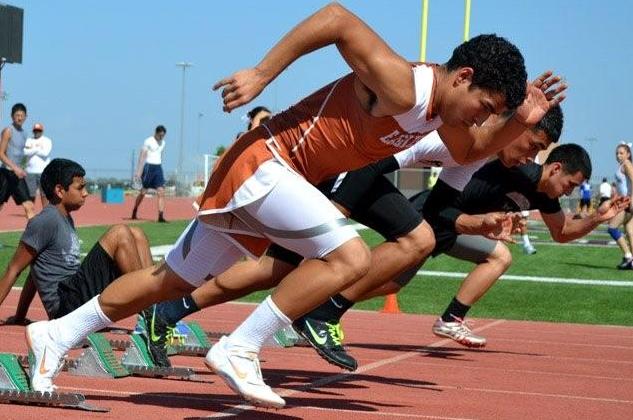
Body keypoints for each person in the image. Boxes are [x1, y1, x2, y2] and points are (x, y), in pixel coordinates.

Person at [24, 4, 563, 407]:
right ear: (464, 77)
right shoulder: (404, 85)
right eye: (483, 107)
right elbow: (336, 18)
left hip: (273, 175)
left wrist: (518, 123)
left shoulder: (440, 115)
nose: (478, 118)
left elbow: (471, 150)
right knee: (350, 257)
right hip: (265, 162)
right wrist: (262, 74)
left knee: (172, 281)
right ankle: (240, 348)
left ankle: (57, 333)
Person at [140, 105, 564, 372]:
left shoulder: (474, 155)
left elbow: (439, 214)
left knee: (278, 268)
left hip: (360, 174)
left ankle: (171, 310)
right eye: (535, 143)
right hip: (343, 166)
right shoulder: (457, 131)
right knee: (404, 243)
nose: (534, 156)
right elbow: (367, 162)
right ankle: (321, 313)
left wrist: (481, 222)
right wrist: (334, 228)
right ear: (518, 122)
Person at [296, 144, 628, 368]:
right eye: (571, 184)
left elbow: (562, 232)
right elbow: (495, 147)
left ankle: (450, 320)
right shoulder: (520, 170)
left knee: (499, 257)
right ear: (555, 168)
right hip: (430, 217)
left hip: (457, 229)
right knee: (386, 283)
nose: (570, 191)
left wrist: (598, 218)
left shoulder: (545, 196)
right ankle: (314, 309)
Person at [0, 158, 154, 327]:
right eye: (80, 188)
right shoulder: (46, 220)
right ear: (59, 190)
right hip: (67, 307)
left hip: (78, 297)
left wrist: (20, 316)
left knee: (137, 234)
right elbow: (14, 269)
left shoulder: (64, 218)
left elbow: (33, 275)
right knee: (119, 233)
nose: (86, 193)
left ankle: (155, 310)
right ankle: (152, 316)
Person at [0, 103, 36, 219]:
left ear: (26, 117)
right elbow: (1, 154)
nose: (20, 118)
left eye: (22, 115)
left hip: (17, 176)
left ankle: (34, 236)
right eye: (17, 115)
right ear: (12, 116)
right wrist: (15, 168)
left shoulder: (25, 134)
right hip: (5, 174)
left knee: (29, 206)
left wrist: (22, 168)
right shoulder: (8, 131)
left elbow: (20, 154)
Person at [131, 125, 167, 223]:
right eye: (160, 135)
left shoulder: (163, 143)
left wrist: (160, 167)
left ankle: (160, 216)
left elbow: (160, 155)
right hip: (148, 167)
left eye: (163, 136)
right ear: (156, 133)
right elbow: (142, 156)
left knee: (161, 191)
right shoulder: (148, 141)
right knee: (143, 192)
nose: (161, 137)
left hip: (158, 167)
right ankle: (134, 210)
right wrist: (138, 172)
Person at [607, 143, 633, 269]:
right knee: (629, 232)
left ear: (628, 154)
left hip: (628, 202)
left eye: (621, 153)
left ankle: (628, 257)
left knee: (612, 228)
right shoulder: (622, 165)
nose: (618, 155)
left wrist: (631, 199)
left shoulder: (627, 164)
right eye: (617, 153)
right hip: (624, 201)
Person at [23, 122, 53, 208]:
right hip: (30, 171)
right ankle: (30, 212)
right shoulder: (28, 140)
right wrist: (38, 149)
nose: (37, 132)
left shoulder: (47, 140)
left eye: (39, 130)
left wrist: (32, 149)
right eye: (35, 130)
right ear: (33, 131)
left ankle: (46, 211)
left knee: (44, 193)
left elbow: (45, 153)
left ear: (42, 131)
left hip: (43, 171)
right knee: (30, 194)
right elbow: (25, 152)